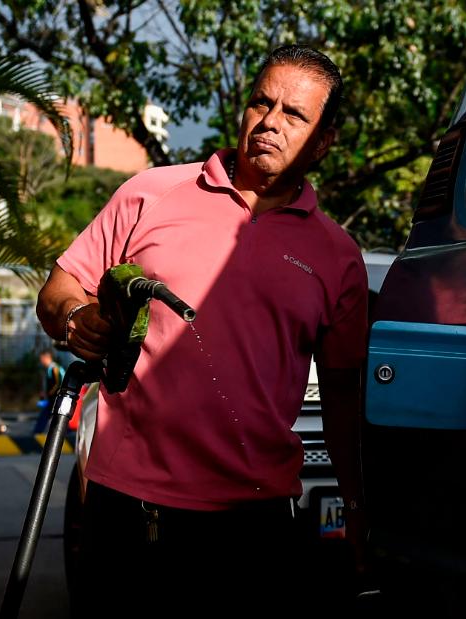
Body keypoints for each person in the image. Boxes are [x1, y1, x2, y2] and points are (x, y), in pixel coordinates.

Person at [36, 45, 368, 614]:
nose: (270, 122)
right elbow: (59, 288)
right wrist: (75, 319)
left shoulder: (338, 257)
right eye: (261, 102)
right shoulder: (152, 192)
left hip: (255, 524)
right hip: (131, 508)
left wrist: (360, 509)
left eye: (294, 114)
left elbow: (341, 397)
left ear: (324, 141)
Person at [33, 349, 64, 435]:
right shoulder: (50, 368)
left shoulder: (54, 368)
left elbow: (58, 383)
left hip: (55, 398)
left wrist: (48, 393)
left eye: (42, 359)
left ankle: (37, 432)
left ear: (46, 358)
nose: (41, 361)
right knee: (56, 416)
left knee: (47, 414)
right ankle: (66, 432)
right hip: (53, 398)